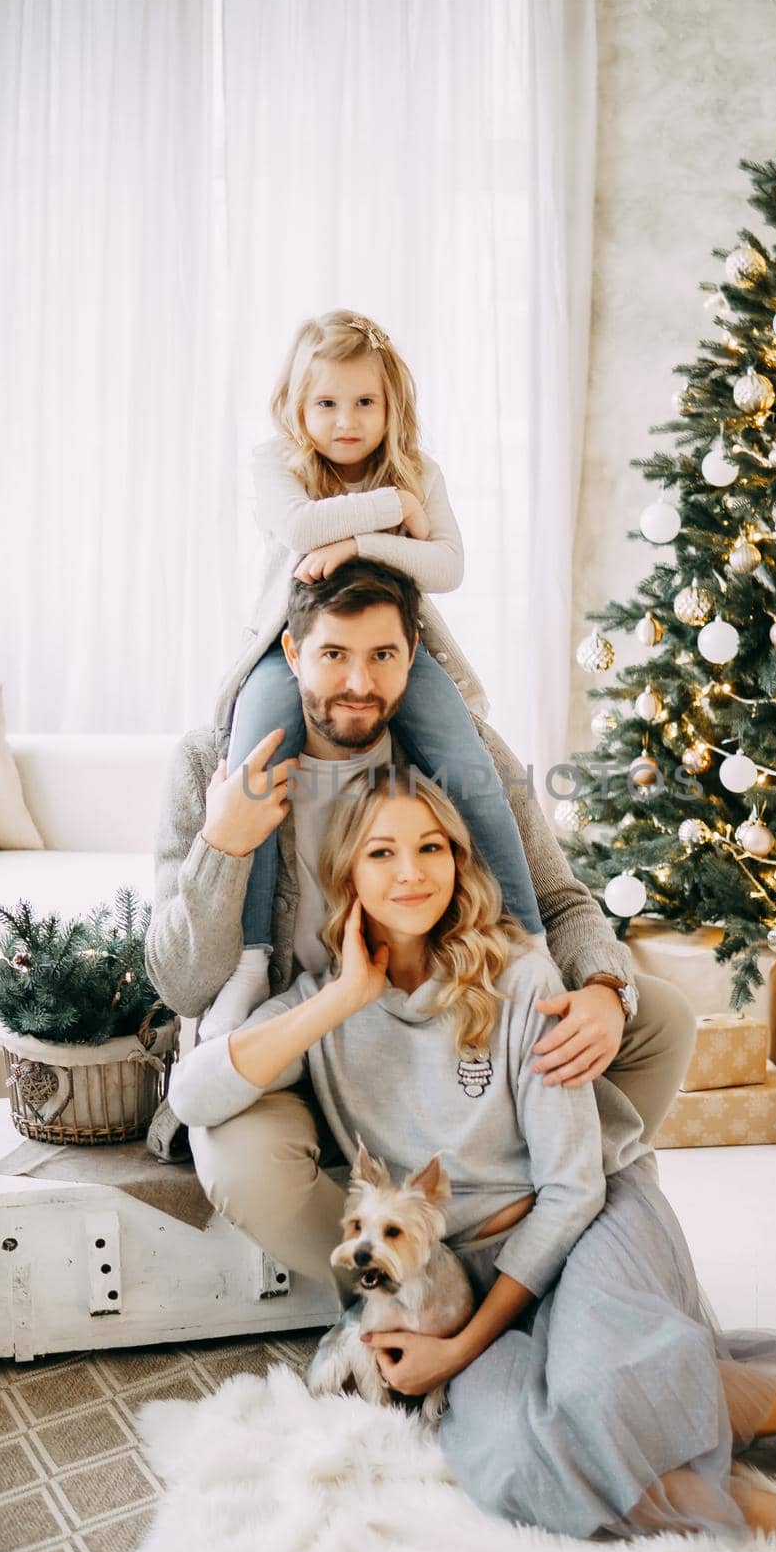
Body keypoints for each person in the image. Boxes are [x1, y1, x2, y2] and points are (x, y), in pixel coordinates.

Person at [167, 766, 776, 1552]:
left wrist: (457, 1354)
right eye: (381, 852)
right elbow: (197, 1095)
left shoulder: (521, 977)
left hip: (586, 1222)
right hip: (461, 1271)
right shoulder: (322, 1004)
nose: (412, 872)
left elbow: (572, 1187)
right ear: (346, 872)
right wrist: (343, 998)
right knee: (520, 1466)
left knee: (606, 1400)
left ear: (459, 861)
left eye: (432, 847)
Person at [144, 560, 696, 1265]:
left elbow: (559, 902)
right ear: (291, 653)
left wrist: (604, 989)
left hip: (443, 1026)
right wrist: (225, 844)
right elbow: (182, 985)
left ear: (413, 655)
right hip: (298, 1037)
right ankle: (406, 1293)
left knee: (660, 1017)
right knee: (240, 1160)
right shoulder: (208, 765)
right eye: (333, 655)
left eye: (383, 656)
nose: (358, 683)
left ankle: (543, 1217)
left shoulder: (460, 757)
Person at [204, 307, 543, 1041]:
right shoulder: (277, 463)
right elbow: (298, 531)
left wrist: (361, 537)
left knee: (469, 762)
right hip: (289, 646)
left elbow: (445, 566)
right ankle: (252, 960)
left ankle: (528, 941)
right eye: (325, 403)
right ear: (296, 408)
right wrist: (396, 511)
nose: (346, 420)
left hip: (395, 648)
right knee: (255, 767)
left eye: (365, 402)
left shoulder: (419, 468)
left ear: (392, 406)